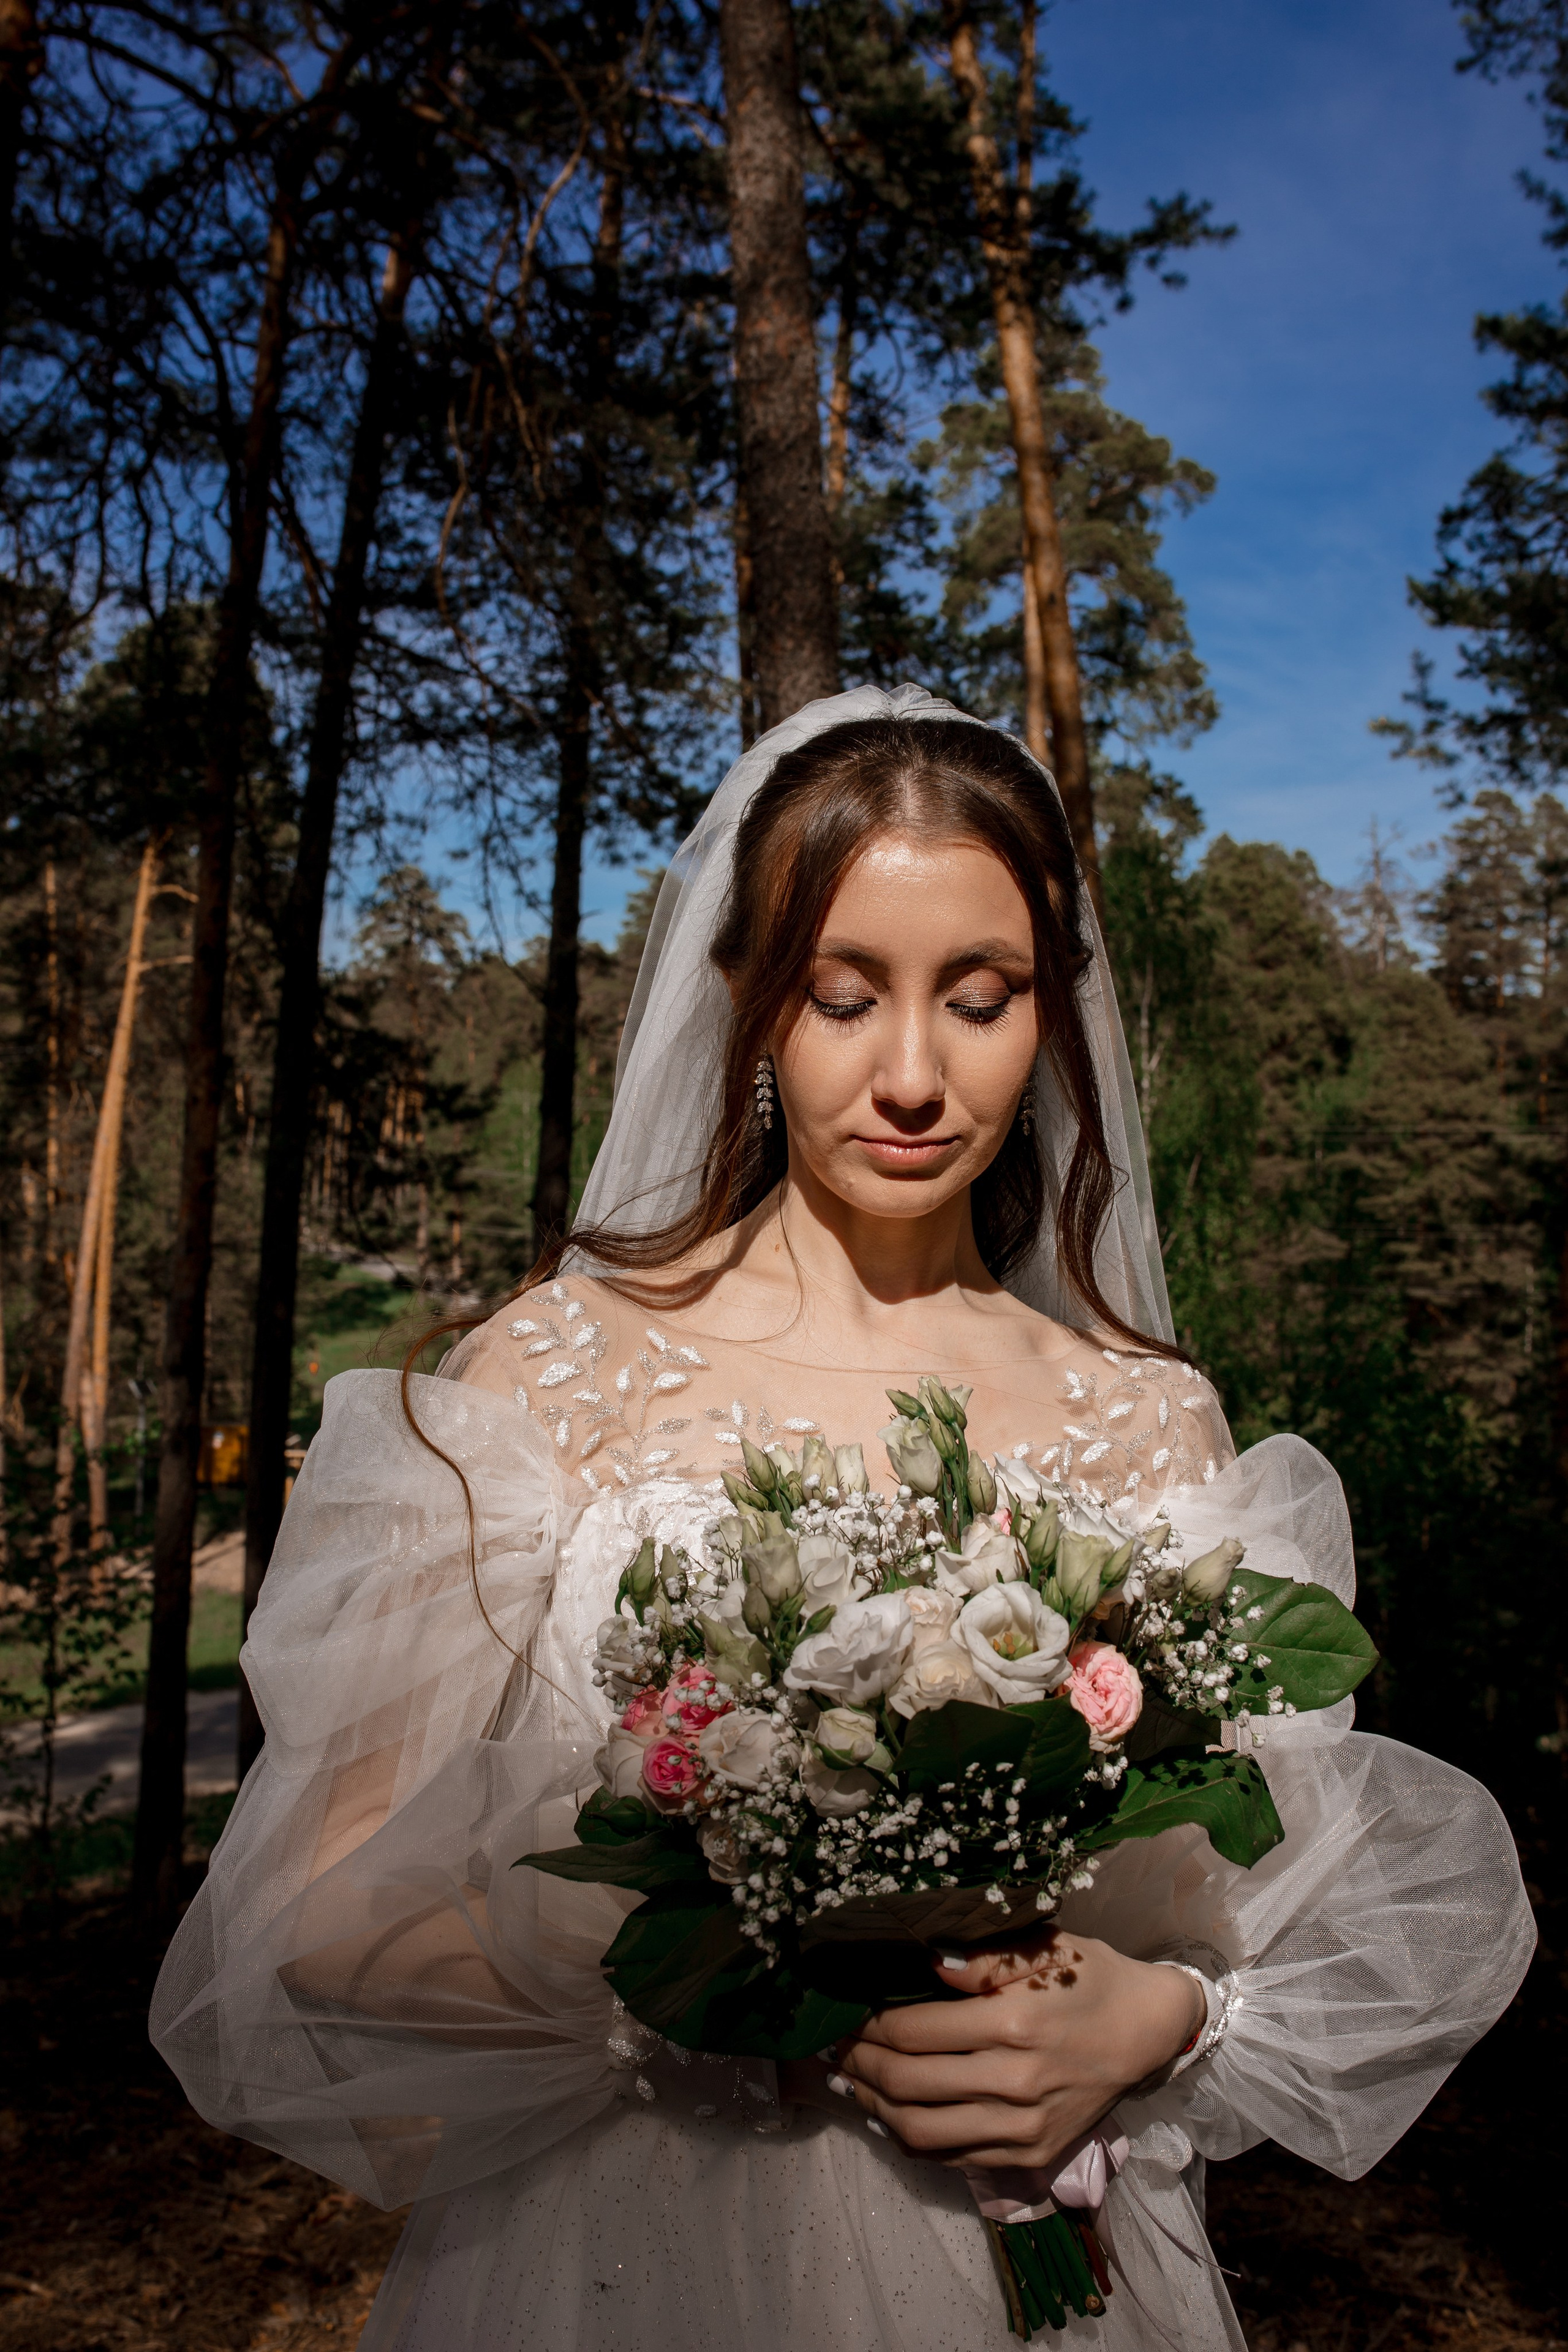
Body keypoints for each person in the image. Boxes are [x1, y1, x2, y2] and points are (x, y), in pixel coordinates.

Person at [151, 685, 1534, 2351]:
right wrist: (711, 2018)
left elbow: (1272, 1889)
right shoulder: (549, 1378)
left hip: (1052, 2258)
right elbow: (322, 1918)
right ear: (751, 1004)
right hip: (644, 2247)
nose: (912, 1075)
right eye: (843, 994)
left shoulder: (1150, 1418)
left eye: (980, 998)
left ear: (1051, 1021)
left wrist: (1158, 2017)